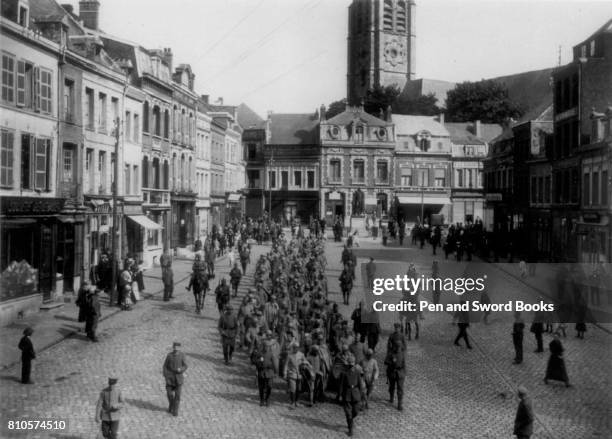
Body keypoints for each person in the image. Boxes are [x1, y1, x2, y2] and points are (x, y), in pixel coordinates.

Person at [339, 354, 364, 437]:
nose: (351, 366)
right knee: (348, 413)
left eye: (352, 364)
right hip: (347, 394)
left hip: (356, 394)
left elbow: (360, 384)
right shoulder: (344, 373)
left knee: (356, 411)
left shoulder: (357, 372)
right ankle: (350, 429)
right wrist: (340, 395)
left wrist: (361, 394)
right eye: (350, 364)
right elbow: (341, 385)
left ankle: (350, 420)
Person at [163, 342, 188, 416]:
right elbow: (165, 366)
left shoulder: (182, 356)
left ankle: (175, 410)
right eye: (174, 347)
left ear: (179, 348)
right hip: (170, 378)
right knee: (169, 394)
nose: (175, 349)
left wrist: (181, 369)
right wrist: (166, 375)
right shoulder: (169, 355)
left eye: (177, 347)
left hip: (178, 379)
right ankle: (171, 404)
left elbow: (185, 365)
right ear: (173, 347)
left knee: (177, 395)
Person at [254, 334, 278, 406]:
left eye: (268, 346)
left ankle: (267, 399)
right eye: (265, 346)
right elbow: (255, 362)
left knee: (269, 386)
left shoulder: (271, 354)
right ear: (263, 346)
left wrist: (276, 372)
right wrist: (259, 364)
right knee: (261, 387)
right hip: (261, 372)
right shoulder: (259, 353)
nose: (267, 348)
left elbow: (275, 364)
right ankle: (262, 400)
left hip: (270, 372)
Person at [385, 339, 405, 411]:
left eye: (399, 347)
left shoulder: (402, 354)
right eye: (397, 346)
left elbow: (404, 364)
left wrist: (403, 373)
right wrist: (391, 362)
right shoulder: (390, 354)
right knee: (392, 387)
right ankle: (391, 397)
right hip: (392, 372)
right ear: (395, 347)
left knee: (400, 389)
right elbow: (386, 362)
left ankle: (400, 404)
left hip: (400, 373)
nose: (398, 348)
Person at [284, 342, 306, 408]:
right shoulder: (289, 355)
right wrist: (285, 373)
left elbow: (305, 361)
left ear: (298, 348)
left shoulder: (301, 355)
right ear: (293, 348)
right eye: (294, 348)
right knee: (293, 389)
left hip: (299, 374)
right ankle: (292, 403)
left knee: (298, 389)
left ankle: (297, 401)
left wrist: (304, 365)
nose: (296, 349)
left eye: (297, 348)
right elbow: (286, 365)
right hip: (292, 374)